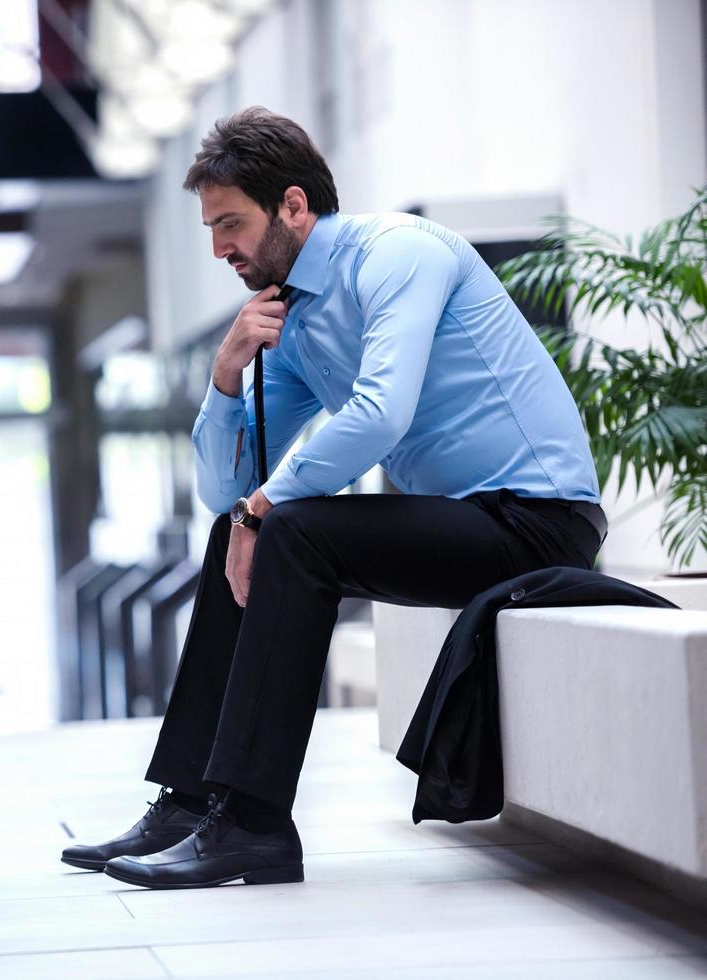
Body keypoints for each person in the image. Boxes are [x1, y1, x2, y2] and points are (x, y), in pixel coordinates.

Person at [61, 107, 607, 890]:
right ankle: (188, 804)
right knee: (242, 533)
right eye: (211, 229)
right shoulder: (291, 315)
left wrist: (262, 510)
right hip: (460, 524)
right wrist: (224, 375)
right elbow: (226, 491)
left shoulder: (398, 255)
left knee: (290, 530)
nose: (219, 248)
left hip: (536, 521)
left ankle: (251, 825)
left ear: (291, 205)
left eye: (230, 224)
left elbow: (378, 414)